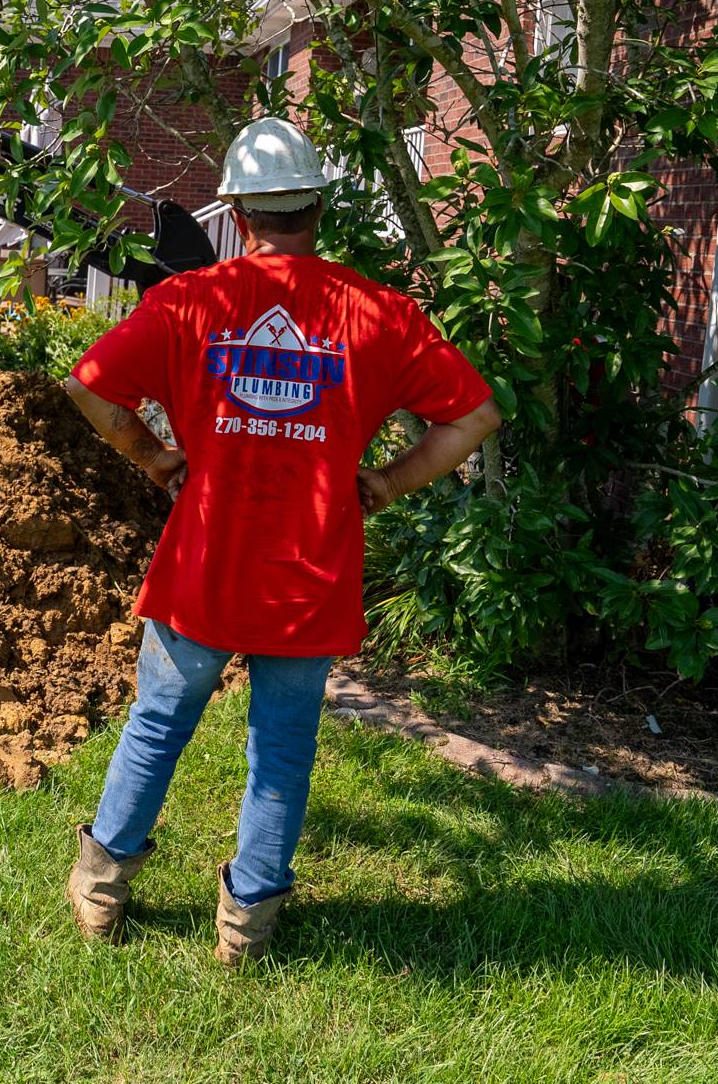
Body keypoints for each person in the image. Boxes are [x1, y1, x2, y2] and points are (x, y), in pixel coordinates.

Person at [61, 117, 502, 966]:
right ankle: (247, 926)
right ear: (320, 208)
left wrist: (155, 459)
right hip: (310, 571)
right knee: (284, 747)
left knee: (157, 725)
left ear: (236, 211)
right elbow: (473, 416)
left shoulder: (189, 303)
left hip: (203, 567)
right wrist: (387, 481)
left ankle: (102, 894)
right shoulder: (376, 311)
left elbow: (90, 389)